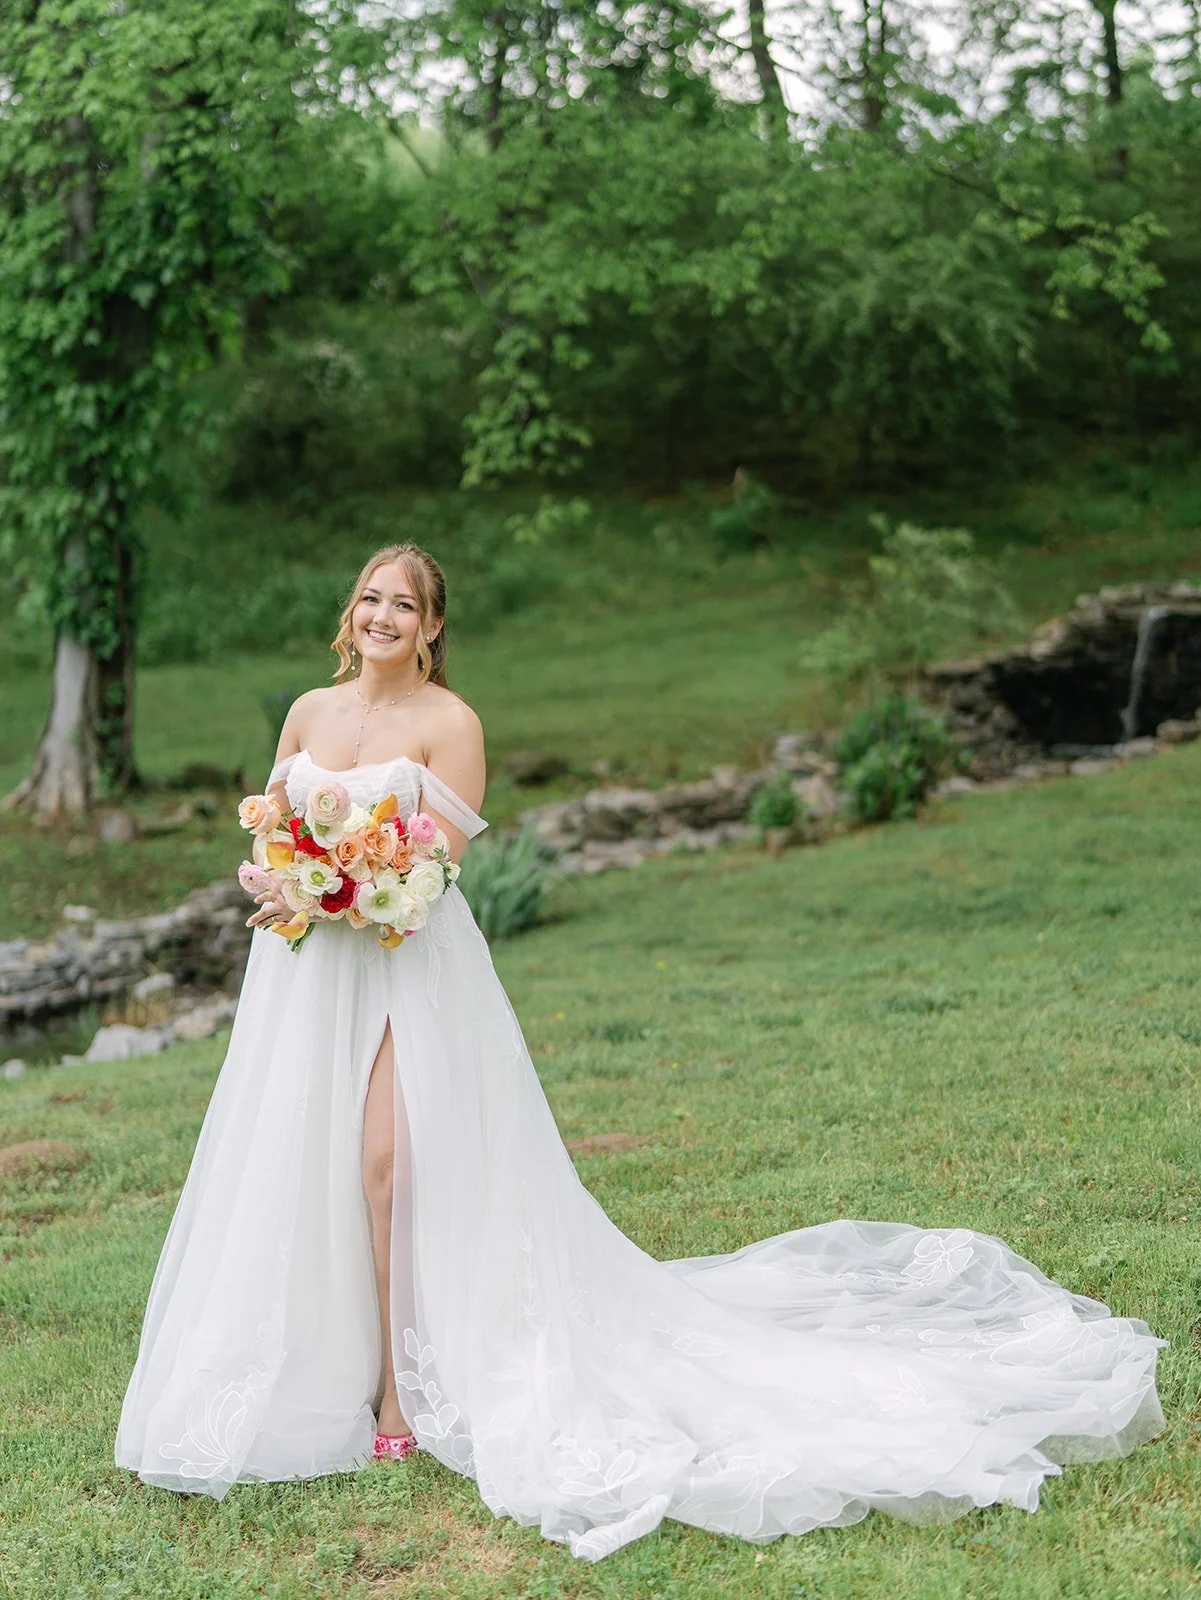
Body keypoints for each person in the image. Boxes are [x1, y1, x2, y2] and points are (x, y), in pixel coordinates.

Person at [116, 543, 1164, 1563]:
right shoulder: (309, 710)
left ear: (432, 627)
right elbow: (270, 830)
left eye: (401, 604)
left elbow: (438, 867)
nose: (379, 616)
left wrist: (352, 882)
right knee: (303, 1165)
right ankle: (316, 1361)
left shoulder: (451, 724)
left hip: (403, 967)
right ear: (352, 615)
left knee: (390, 1165)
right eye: (367, 599)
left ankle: (400, 1388)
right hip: (305, 976)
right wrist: (285, 881)